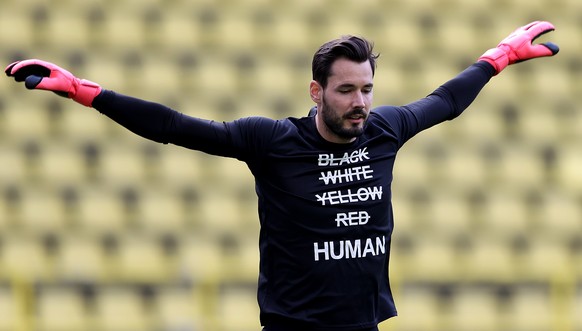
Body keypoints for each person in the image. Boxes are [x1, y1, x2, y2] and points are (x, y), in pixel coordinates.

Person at [5, 21, 558, 331]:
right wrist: (84, 91)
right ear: (317, 92)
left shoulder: (385, 130)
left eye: (367, 89)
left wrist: (500, 56)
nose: (360, 102)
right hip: (294, 327)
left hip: (362, 322)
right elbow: (177, 126)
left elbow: (445, 101)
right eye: (346, 91)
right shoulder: (272, 142)